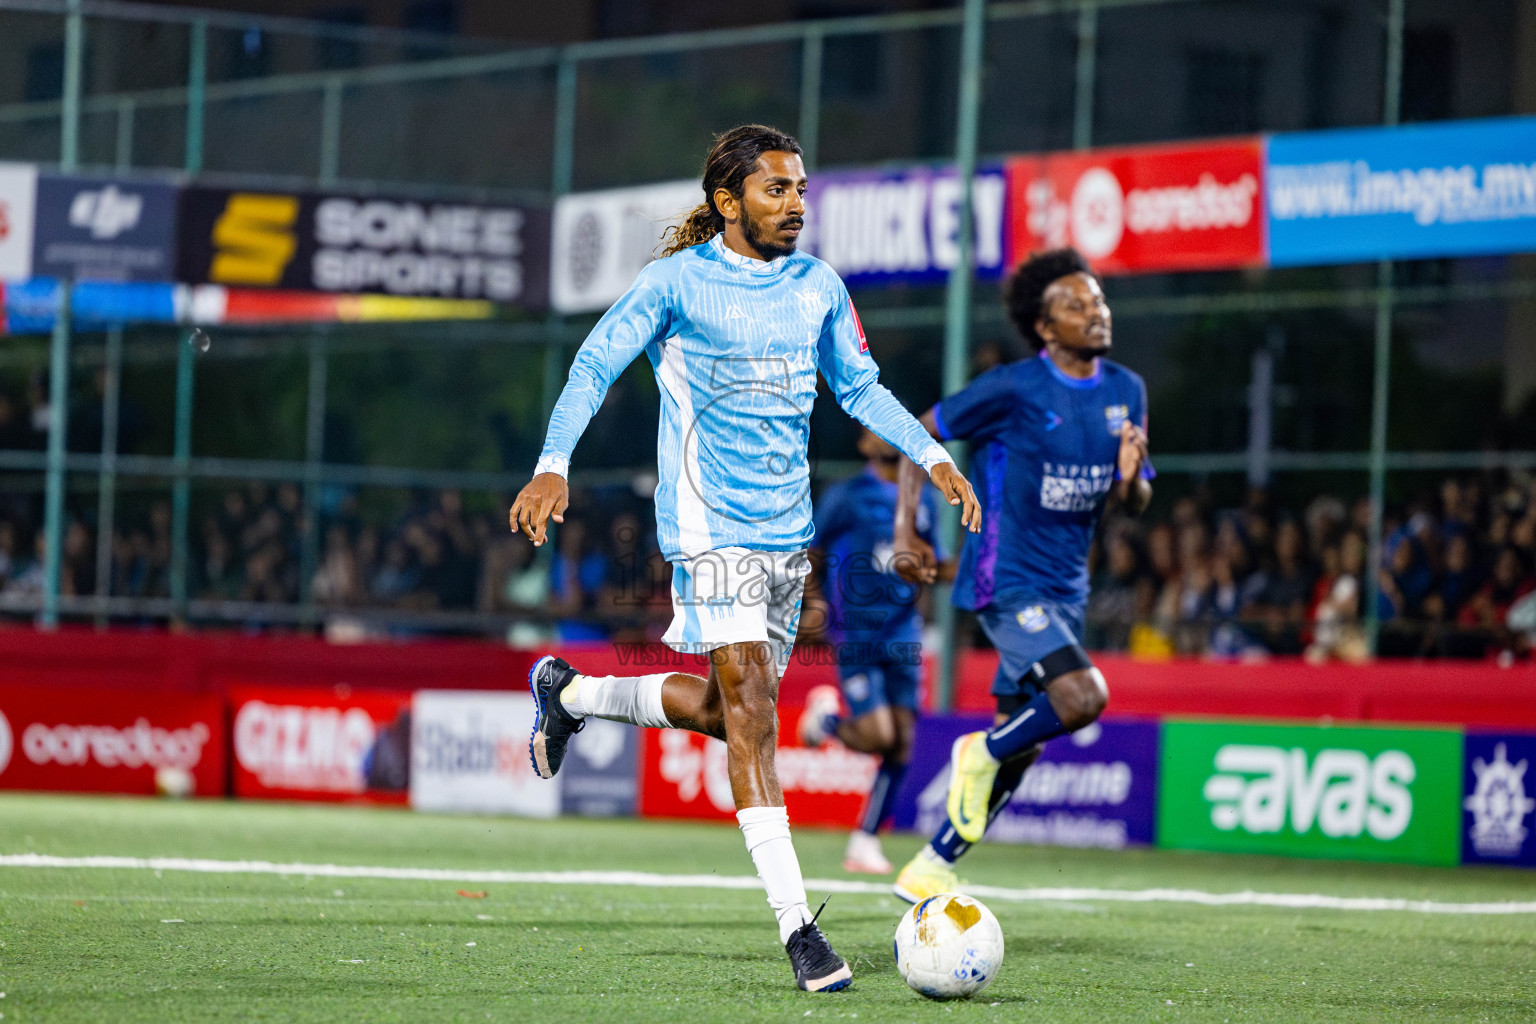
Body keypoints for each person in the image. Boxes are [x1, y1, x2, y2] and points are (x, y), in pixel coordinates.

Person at [507, 124, 981, 994]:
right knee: (757, 712)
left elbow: (860, 386)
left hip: (784, 536)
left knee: (735, 720)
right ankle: (801, 933)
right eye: (776, 189)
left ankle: (568, 693)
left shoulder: (818, 287)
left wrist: (935, 454)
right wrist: (552, 464)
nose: (795, 203)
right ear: (729, 202)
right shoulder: (677, 284)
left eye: (800, 188)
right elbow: (593, 363)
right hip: (708, 527)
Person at [886, 247, 1152, 904]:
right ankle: (975, 753)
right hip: (1005, 582)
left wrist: (1128, 478)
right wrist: (906, 528)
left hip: (1068, 591)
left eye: (1098, 300)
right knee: (1082, 697)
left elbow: (1136, 499)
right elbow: (919, 435)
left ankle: (932, 862)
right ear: (1043, 326)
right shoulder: (1013, 388)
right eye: (1075, 304)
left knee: (1025, 742)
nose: (1094, 312)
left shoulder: (1127, 390)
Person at [797, 427, 948, 875]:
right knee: (880, 735)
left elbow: (930, 561)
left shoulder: (924, 497)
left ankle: (865, 840)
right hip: (859, 632)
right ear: (864, 444)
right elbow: (812, 548)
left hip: (903, 631)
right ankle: (825, 720)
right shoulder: (848, 494)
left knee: (901, 743)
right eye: (873, 431)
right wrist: (817, 602)